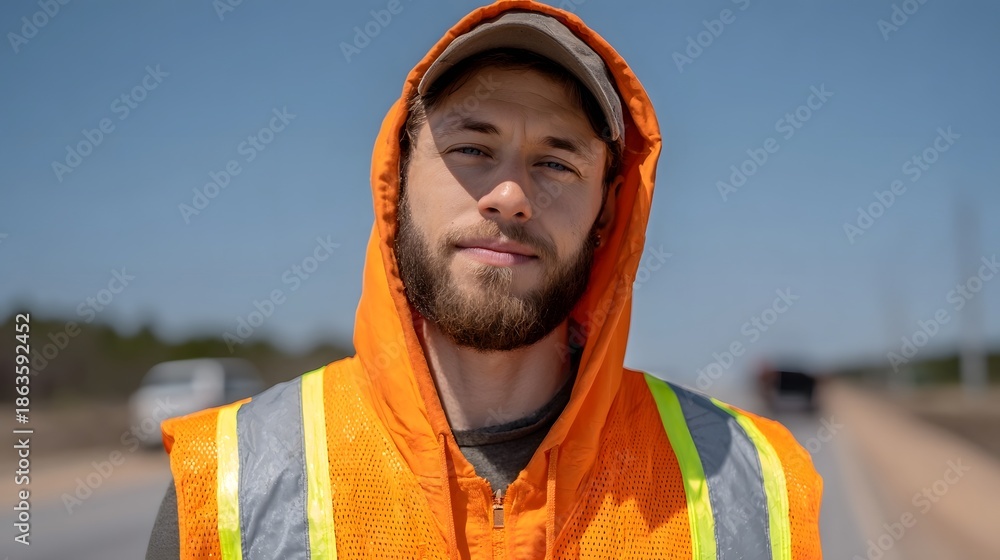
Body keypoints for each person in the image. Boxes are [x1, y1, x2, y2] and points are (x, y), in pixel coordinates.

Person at [146, 1, 823, 558]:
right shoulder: (225, 487)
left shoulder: (755, 487)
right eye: (471, 148)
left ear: (608, 209)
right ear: (399, 179)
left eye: (556, 163)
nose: (509, 195)